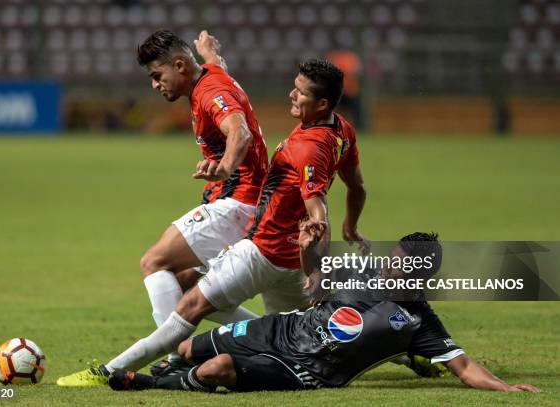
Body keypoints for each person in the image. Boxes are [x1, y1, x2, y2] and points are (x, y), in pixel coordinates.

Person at [58, 58, 369, 387]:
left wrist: (320, 264)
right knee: (300, 332)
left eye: (301, 92)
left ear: (322, 103)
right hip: (290, 263)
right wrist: (352, 225)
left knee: (187, 306)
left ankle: (106, 372)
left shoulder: (309, 147)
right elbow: (357, 186)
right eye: (294, 86)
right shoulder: (341, 129)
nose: (292, 94)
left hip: (262, 253)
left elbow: (318, 211)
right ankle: (403, 349)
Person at [57, 29, 268, 386]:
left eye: (157, 76)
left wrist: (225, 166)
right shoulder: (210, 74)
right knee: (187, 286)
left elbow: (240, 131)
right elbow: (216, 65)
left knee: (154, 262)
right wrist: (209, 51)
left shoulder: (210, 91)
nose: (155, 85)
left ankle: (175, 358)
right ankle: (271, 334)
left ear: (181, 65)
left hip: (239, 201)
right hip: (250, 201)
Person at [107, 232, 540, 394]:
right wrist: (306, 248)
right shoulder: (358, 271)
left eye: (401, 262)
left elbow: (464, 366)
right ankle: (169, 371)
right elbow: (311, 272)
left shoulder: (418, 321)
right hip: (279, 328)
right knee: (185, 346)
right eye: (392, 257)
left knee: (217, 367)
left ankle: (151, 384)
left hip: (304, 369)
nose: (390, 264)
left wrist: (505, 388)